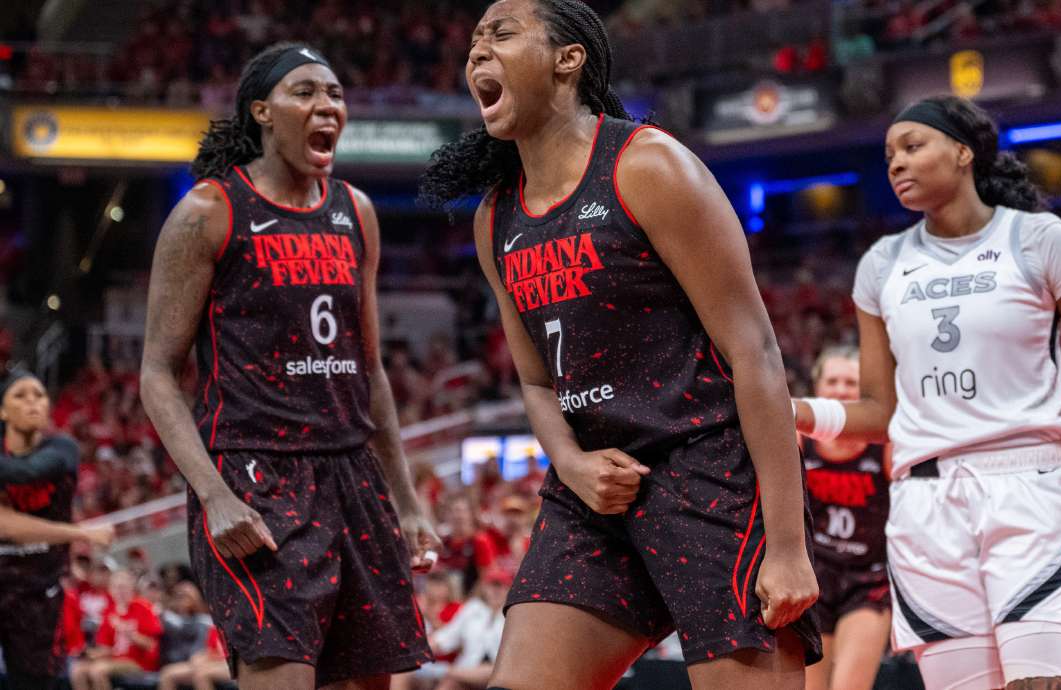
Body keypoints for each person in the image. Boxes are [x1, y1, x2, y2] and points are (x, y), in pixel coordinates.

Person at [420, 1, 823, 688]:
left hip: (708, 470)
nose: (478, 51)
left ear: (567, 60)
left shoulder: (649, 167)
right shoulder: (497, 216)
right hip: (595, 491)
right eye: (474, 40)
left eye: (501, 34)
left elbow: (754, 353)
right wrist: (571, 462)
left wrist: (786, 546)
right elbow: (537, 383)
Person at [797, 95, 1061, 689]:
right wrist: (795, 411)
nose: (896, 164)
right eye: (888, 156)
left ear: (963, 152)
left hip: (1029, 487)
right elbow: (881, 410)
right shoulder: (882, 264)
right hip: (925, 506)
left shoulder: (1041, 240)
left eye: (912, 147)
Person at [139, 42, 438, 689]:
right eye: (305, 92)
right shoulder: (210, 212)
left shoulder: (354, 210)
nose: (326, 105)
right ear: (262, 112)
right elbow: (157, 375)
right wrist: (213, 494)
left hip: (351, 469)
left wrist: (408, 501)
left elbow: (371, 368)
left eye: (334, 94)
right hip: (255, 475)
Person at [792, 347, 891, 690]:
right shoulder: (800, 441)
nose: (840, 389)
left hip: (868, 579)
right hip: (813, 576)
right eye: (832, 381)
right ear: (817, 388)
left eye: (851, 382)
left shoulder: (886, 444)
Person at [0, 370, 86, 690]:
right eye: (20, 395)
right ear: (2, 411)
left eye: (39, 395)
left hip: (38, 593)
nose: (33, 402)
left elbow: (30, 471)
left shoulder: (63, 449)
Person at [71, 569, 164, 690]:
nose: (120, 592)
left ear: (132, 589)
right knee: (78, 670)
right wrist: (89, 654)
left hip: (138, 662)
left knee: (98, 670)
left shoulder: (143, 608)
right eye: (116, 587)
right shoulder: (109, 613)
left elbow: (151, 645)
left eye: (123, 587)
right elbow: (107, 649)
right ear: (110, 590)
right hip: (114, 660)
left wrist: (130, 634)